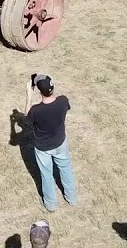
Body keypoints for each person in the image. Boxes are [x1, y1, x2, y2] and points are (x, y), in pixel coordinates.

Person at [24, 74, 78, 211]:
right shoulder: (63, 101)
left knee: (46, 174)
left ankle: (50, 204)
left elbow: (27, 119)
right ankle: (72, 198)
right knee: (65, 169)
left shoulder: (36, 111)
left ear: (39, 91)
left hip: (43, 148)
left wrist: (29, 96)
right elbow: (57, 101)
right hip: (60, 143)